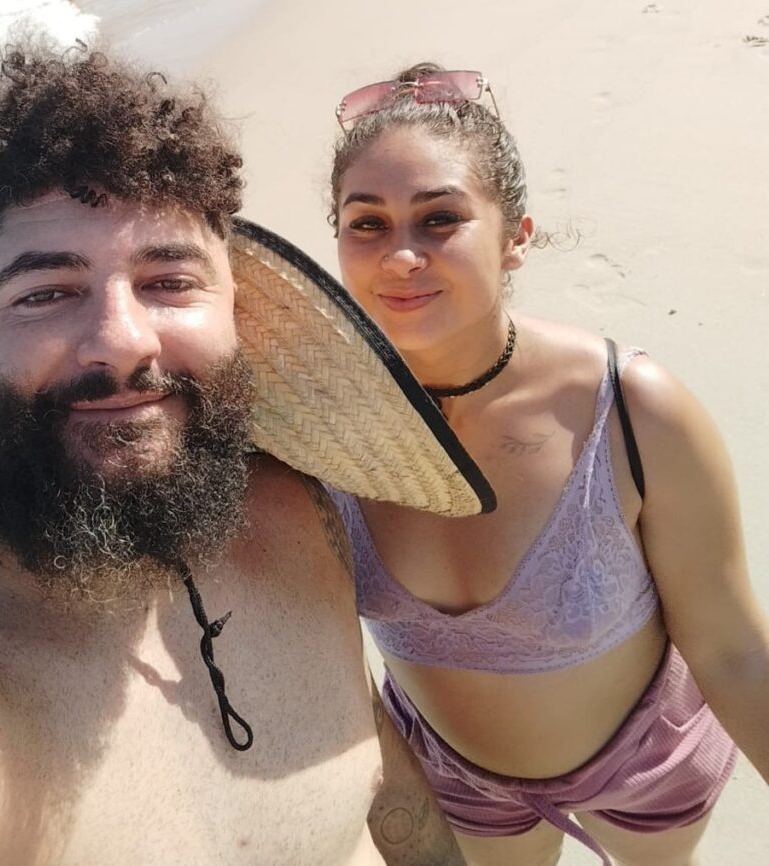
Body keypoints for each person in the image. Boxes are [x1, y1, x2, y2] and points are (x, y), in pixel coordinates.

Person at [0, 42, 473, 866]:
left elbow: (383, 785)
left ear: (234, 309)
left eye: (169, 282)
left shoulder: (297, 508)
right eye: (44, 294)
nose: (124, 343)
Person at [325, 64, 769, 866]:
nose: (400, 256)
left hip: (643, 766)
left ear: (516, 237)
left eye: (439, 219)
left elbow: (734, 653)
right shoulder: (317, 432)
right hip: (452, 776)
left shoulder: (631, 412)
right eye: (367, 223)